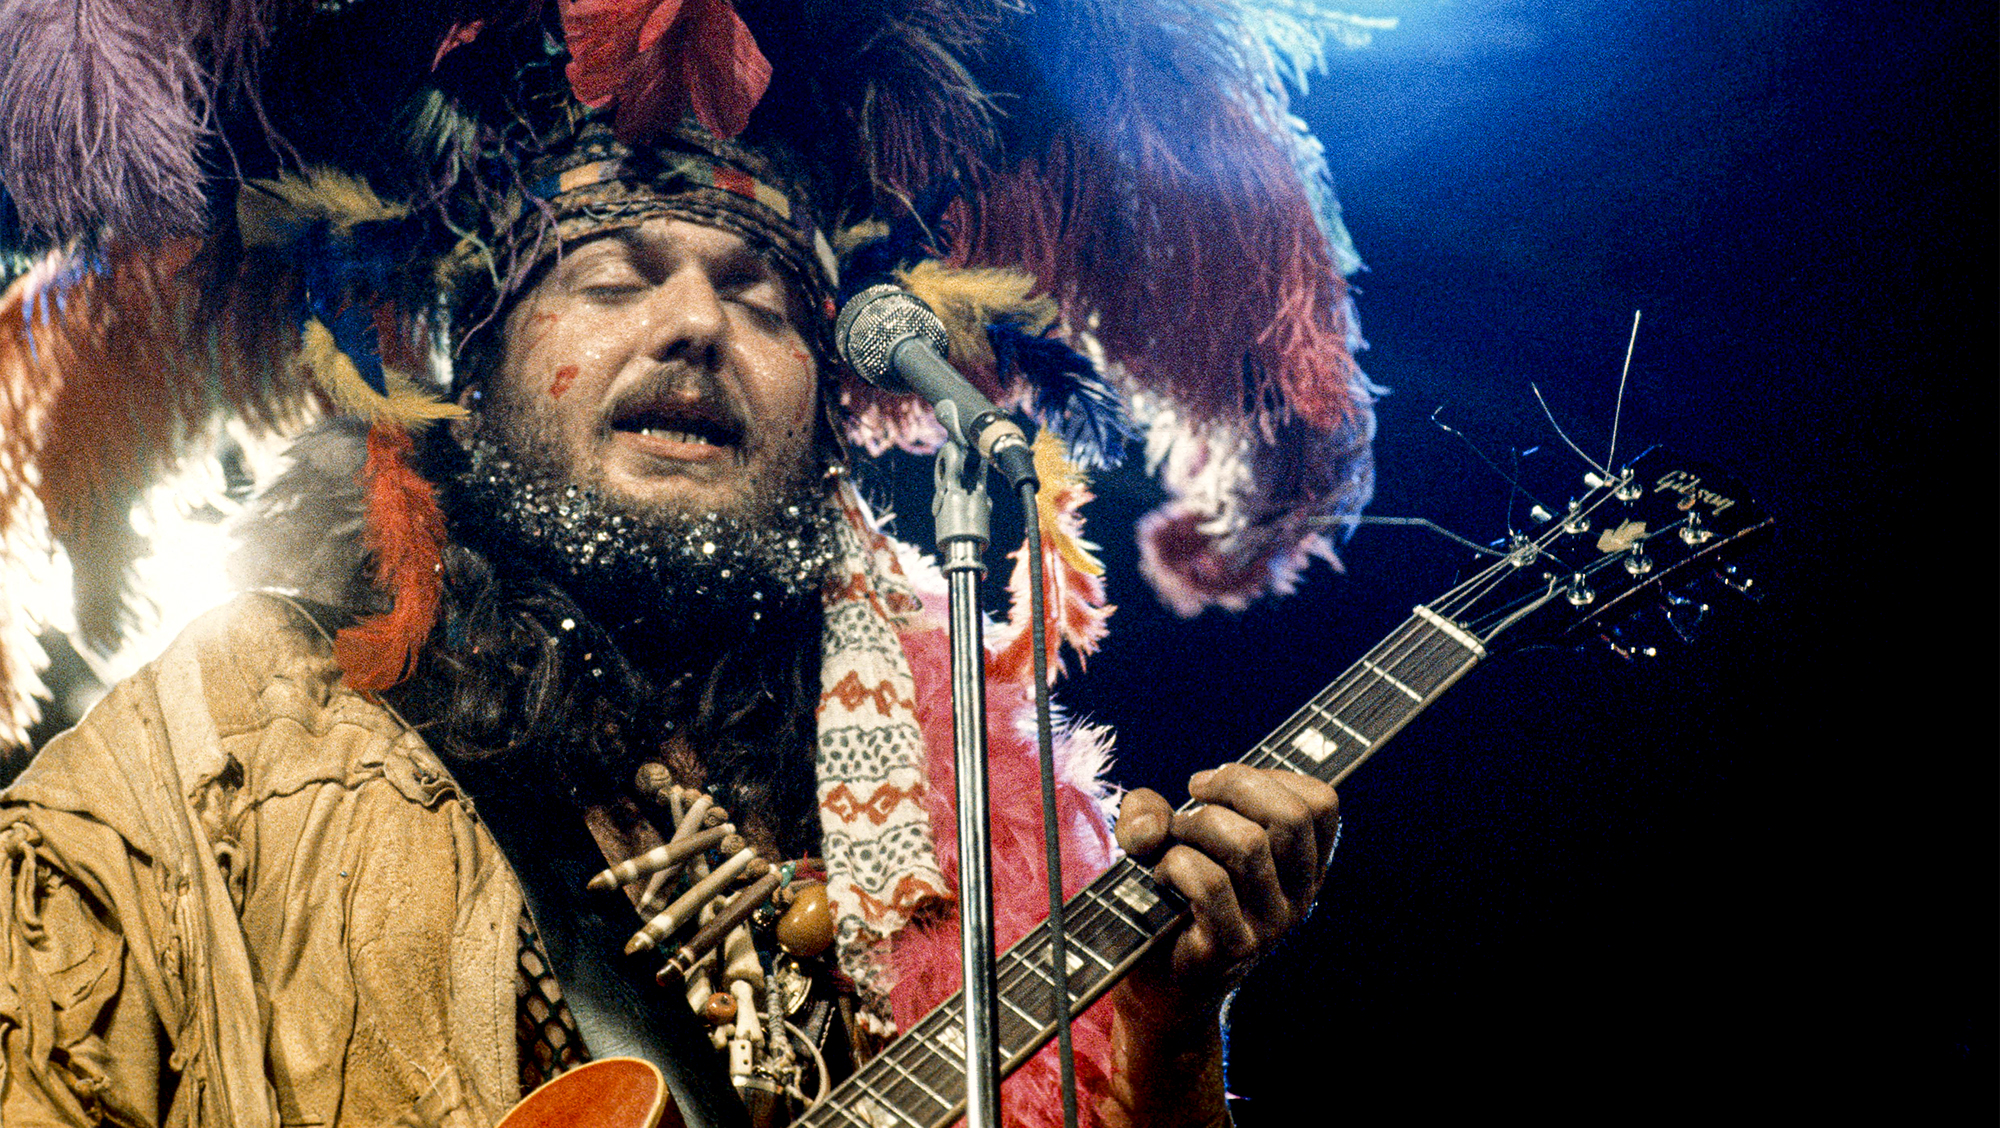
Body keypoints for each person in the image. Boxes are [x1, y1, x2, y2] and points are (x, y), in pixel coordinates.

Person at [0, 5, 1375, 1126]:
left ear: (828, 411)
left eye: (764, 300)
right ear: (477, 382)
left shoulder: (953, 823)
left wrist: (1180, 1039)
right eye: (613, 280)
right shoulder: (235, 729)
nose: (695, 327)